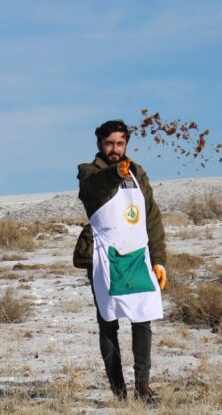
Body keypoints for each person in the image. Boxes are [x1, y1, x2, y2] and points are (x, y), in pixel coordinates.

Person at [76, 119, 166, 404]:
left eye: (120, 144)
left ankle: (143, 386)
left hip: (138, 256)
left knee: (142, 317)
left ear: (126, 143)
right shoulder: (89, 171)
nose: (115, 149)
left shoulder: (138, 172)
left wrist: (160, 260)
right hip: (104, 258)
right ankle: (119, 391)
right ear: (99, 144)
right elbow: (95, 188)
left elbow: (152, 216)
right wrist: (116, 171)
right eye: (109, 144)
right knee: (108, 321)